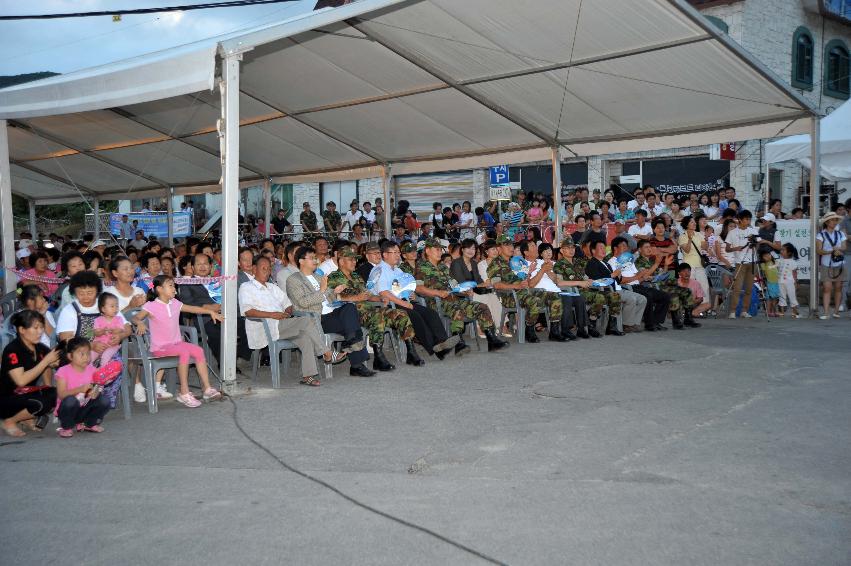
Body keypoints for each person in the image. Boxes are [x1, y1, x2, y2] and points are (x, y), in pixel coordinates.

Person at [240, 256, 346, 386]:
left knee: (305, 337)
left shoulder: (272, 287)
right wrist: (272, 315)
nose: (267, 272)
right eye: (263, 268)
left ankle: (308, 376)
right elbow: (247, 311)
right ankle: (326, 352)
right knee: (307, 321)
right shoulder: (247, 287)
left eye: (269, 269)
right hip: (264, 326)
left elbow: (288, 305)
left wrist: (287, 312)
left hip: (281, 325)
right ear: (254, 269)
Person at [132, 275, 222, 407]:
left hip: (176, 344)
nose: (174, 288)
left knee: (198, 350)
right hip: (160, 348)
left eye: (174, 285)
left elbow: (193, 308)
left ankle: (207, 388)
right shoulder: (151, 306)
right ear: (159, 289)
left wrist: (210, 312)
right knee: (184, 352)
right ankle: (184, 392)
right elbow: (135, 318)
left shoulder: (175, 303)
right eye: (170, 285)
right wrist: (139, 323)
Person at [286, 246, 376, 377]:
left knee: (350, 308)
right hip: (316, 319)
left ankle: (351, 345)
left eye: (315, 258)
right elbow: (302, 302)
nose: (316, 261)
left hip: (331, 313)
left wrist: (334, 292)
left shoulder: (318, 277)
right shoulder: (293, 280)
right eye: (312, 258)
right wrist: (322, 291)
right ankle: (356, 363)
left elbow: (329, 296)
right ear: (301, 261)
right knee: (351, 325)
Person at [327, 248, 414, 371]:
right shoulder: (333, 277)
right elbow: (334, 298)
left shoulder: (356, 275)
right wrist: (357, 297)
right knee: (377, 317)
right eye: (350, 260)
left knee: (400, 313)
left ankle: (411, 351)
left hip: (369, 309)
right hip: (352, 314)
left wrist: (379, 298)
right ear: (341, 262)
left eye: (355, 260)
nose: (354, 262)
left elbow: (367, 295)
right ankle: (378, 357)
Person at [370, 241, 457, 361]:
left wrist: (411, 294)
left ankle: (442, 342)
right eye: (394, 252)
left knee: (429, 313)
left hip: (402, 302)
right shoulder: (379, 270)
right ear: (385, 254)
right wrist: (404, 303)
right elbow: (384, 293)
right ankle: (434, 347)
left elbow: (401, 288)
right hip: (387, 305)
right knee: (415, 316)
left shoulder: (398, 271)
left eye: (398, 252)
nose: (397, 255)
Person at [417, 238, 507, 353]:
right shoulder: (421, 267)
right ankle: (459, 343)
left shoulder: (443, 267)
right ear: (428, 251)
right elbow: (419, 288)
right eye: (437, 250)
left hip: (454, 299)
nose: (440, 252)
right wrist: (437, 293)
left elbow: (453, 284)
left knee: (482, 307)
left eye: (441, 250)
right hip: (437, 302)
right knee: (457, 309)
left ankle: (492, 340)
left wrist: (463, 291)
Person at [1, 310, 60, 437]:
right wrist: (46, 362)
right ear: (22, 329)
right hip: (8, 398)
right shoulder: (12, 349)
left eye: (41, 327)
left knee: (57, 393)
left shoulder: (39, 347)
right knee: (42, 404)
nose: (40, 331)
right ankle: (9, 421)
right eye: (35, 328)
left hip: (27, 393)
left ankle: (25, 417)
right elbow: (21, 381)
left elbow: (55, 360)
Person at [488, 235, 556, 343]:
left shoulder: (515, 262)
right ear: (499, 248)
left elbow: (523, 279)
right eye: (506, 245)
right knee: (535, 301)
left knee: (553, 295)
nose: (511, 247)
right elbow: (497, 285)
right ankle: (529, 328)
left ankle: (555, 332)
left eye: (511, 244)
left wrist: (528, 273)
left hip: (524, 292)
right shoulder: (495, 264)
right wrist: (517, 286)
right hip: (510, 297)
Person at [53, 337, 112, 437]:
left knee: (104, 400)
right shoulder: (63, 371)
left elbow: (96, 389)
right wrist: (79, 389)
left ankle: (89, 423)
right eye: (82, 354)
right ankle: (66, 427)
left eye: (88, 354)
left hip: (84, 409)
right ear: (70, 356)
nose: (86, 357)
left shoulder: (93, 370)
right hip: (69, 410)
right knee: (70, 401)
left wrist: (98, 389)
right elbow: (61, 395)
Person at [608, 237, 671, 331]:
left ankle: (656, 321)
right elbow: (620, 281)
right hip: (627, 287)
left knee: (665, 296)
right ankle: (649, 324)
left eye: (627, 246)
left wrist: (643, 276)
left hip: (638, 285)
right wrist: (638, 277)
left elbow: (639, 277)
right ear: (615, 248)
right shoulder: (612, 262)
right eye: (623, 246)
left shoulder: (629, 260)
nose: (626, 248)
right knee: (648, 296)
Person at [553, 240, 611, 337]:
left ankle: (591, 323)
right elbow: (560, 282)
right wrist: (579, 283)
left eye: (573, 248)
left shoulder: (578, 262)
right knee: (598, 297)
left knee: (602, 296)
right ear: (562, 251)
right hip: (571, 291)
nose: (571, 250)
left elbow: (585, 277)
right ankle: (587, 326)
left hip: (585, 290)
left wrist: (592, 281)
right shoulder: (559, 264)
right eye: (567, 248)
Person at [585, 241, 644, 334]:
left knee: (640, 298)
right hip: (602, 290)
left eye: (604, 248)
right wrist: (613, 275)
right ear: (593, 251)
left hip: (615, 289)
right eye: (601, 248)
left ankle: (616, 326)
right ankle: (597, 325)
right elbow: (597, 280)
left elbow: (617, 280)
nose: (604, 250)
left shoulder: (605, 263)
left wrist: (619, 274)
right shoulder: (592, 263)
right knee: (616, 296)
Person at [451, 239, 505, 339]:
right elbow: (462, 282)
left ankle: (499, 326)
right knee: (482, 298)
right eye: (468, 248)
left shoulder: (474, 263)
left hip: (474, 290)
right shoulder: (456, 263)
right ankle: (481, 327)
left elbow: (479, 280)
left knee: (492, 296)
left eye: (473, 248)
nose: (471, 251)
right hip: (462, 293)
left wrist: (485, 284)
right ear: (462, 249)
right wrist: (480, 285)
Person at [726, 210, 759, 319]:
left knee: (749, 288)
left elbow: (757, 246)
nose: (748, 221)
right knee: (737, 288)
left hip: (752, 262)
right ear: (740, 220)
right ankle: (733, 311)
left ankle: (745, 310)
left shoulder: (752, 231)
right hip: (740, 263)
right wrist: (737, 248)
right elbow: (727, 248)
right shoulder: (732, 232)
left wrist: (754, 242)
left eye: (749, 219)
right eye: (746, 219)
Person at [815, 211, 847, 319]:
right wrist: (830, 252)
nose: (834, 222)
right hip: (826, 264)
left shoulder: (840, 234)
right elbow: (818, 251)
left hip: (839, 263)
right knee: (827, 288)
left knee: (839, 287)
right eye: (832, 220)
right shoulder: (820, 235)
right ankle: (826, 312)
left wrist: (838, 250)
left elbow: (844, 247)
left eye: (835, 220)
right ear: (827, 222)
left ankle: (836, 311)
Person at [91, 293, 131, 367]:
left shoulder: (119, 319)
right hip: (99, 344)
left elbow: (120, 329)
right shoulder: (98, 320)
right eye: (112, 306)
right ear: (103, 309)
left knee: (105, 357)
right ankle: (89, 373)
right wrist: (102, 331)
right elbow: (96, 332)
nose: (115, 308)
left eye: (117, 306)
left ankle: (103, 373)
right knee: (89, 357)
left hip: (112, 345)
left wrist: (114, 331)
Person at [678, 216, 711, 304]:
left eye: (694, 222)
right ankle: (688, 307)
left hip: (699, 265)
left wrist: (706, 238)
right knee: (689, 287)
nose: (695, 223)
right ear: (686, 224)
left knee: (705, 286)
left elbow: (705, 247)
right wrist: (689, 239)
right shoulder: (682, 236)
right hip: (688, 266)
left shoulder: (699, 234)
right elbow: (687, 250)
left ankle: (705, 307)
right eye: (692, 222)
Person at [778, 243, 800, 318]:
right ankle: (782, 311)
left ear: (789, 252)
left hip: (790, 282)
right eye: (781, 249)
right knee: (781, 296)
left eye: (783, 250)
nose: (781, 251)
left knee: (792, 296)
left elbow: (794, 273)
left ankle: (794, 311)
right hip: (780, 282)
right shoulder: (780, 261)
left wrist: (795, 282)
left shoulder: (793, 262)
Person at [759, 250, 780, 317]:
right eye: (765, 256)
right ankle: (768, 311)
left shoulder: (774, 262)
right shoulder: (763, 264)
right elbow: (762, 274)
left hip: (776, 283)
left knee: (775, 298)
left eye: (769, 255)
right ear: (762, 258)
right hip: (769, 283)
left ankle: (774, 311)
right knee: (769, 298)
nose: (768, 256)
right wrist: (762, 283)